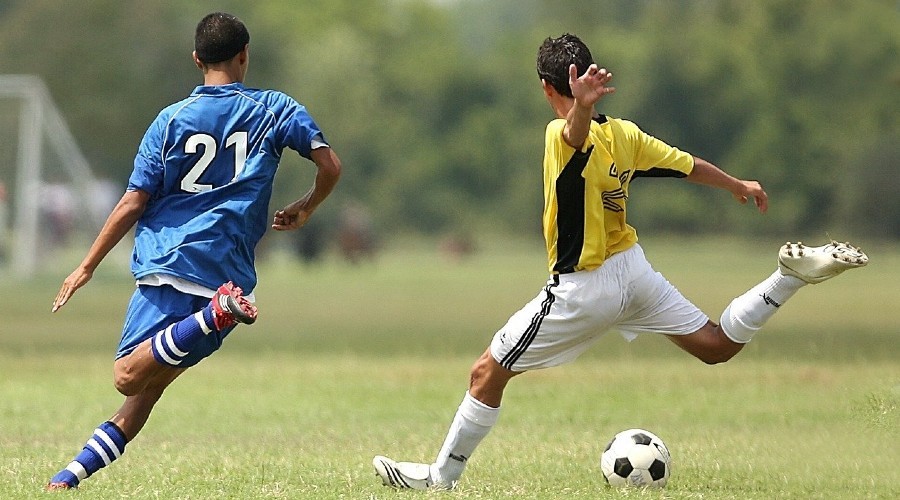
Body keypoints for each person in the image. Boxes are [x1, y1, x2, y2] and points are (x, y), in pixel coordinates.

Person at [372, 33, 867, 490]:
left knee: (486, 373)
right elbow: (686, 164)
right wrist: (737, 184)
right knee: (716, 345)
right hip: (634, 270)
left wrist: (578, 110)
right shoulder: (625, 134)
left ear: (547, 88)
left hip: (583, 288)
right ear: (587, 76)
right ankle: (786, 279)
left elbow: (572, 136)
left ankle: (442, 478)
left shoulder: (557, 133)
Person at [46, 12, 341, 490]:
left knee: (126, 376)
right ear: (245, 55)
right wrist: (305, 207)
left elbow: (133, 201)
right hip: (228, 271)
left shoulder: (170, 120)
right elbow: (330, 165)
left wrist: (86, 266)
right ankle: (68, 478)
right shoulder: (275, 109)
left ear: (196, 60)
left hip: (170, 262)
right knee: (143, 395)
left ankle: (212, 315)